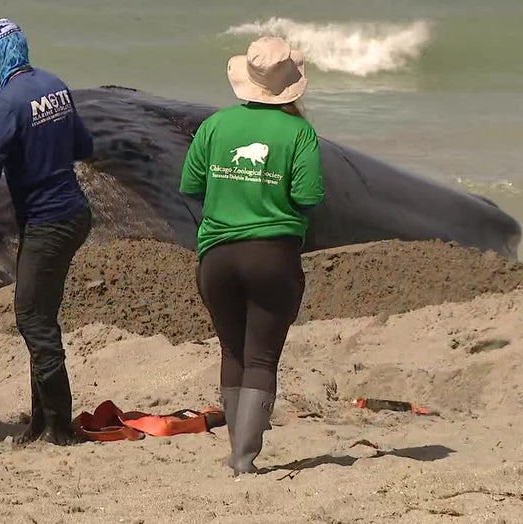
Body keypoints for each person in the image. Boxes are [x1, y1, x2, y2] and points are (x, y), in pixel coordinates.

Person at [0, 18, 94, 446]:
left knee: (31, 317)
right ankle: (40, 422)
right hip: (73, 214)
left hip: (49, 222)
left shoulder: (3, 104)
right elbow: (85, 147)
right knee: (39, 313)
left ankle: (61, 427)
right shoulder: (56, 85)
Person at [179, 36, 325, 475]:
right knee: (262, 358)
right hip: (272, 257)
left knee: (232, 351)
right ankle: (244, 458)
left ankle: (234, 451)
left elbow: (189, 188)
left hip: (217, 256)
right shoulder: (299, 133)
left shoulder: (214, 126)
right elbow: (308, 197)